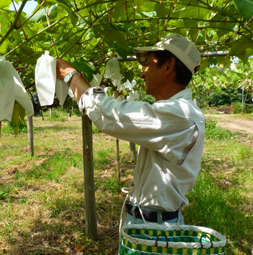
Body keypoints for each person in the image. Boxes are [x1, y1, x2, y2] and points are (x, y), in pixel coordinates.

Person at [56, 33, 204, 229]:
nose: (143, 74)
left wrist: (70, 75)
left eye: (148, 65)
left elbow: (112, 115)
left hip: (155, 229)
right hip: (149, 221)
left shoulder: (180, 114)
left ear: (168, 66)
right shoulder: (179, 112)